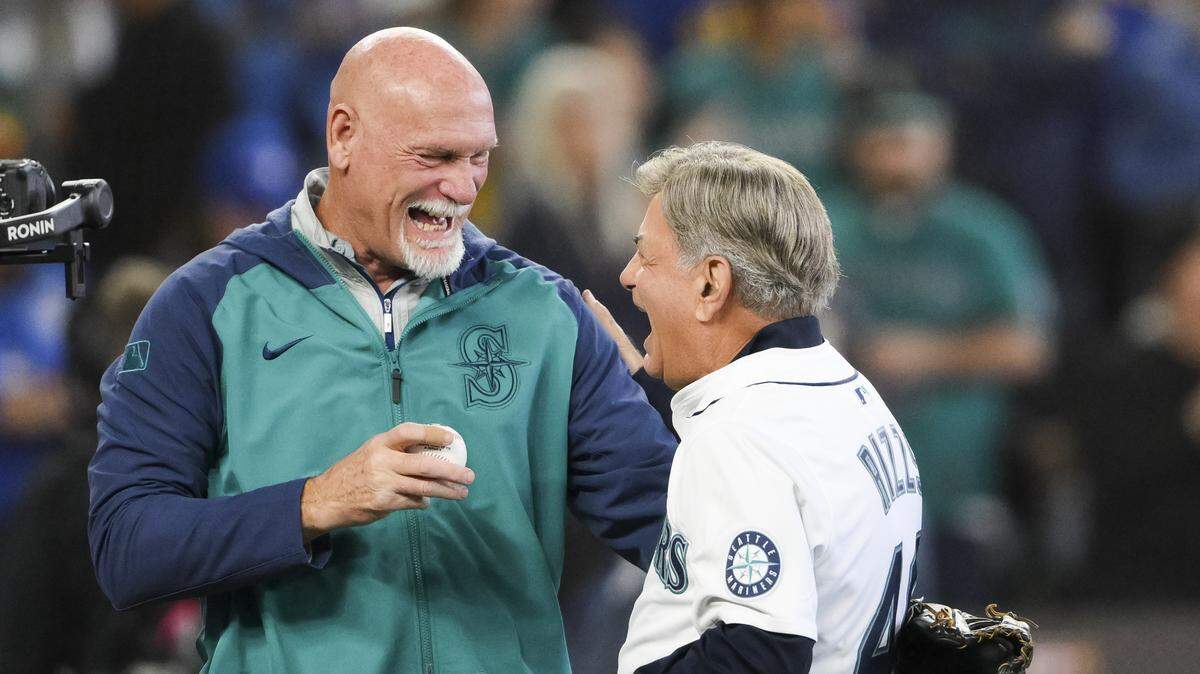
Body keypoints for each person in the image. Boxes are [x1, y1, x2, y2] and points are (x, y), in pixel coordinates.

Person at [88, 28, 676, 673]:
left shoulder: (542, 312)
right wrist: (314, 503)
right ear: (343, 135)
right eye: (436, 155)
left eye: (479, 157)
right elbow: (127, 547)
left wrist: (694, 401)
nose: (462, 187)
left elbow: (675, 526)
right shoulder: (206, 307)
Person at [585, 141, 922, 673]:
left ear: (711, 283)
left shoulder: (742, 435)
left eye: (647, 256)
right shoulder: (849, 393)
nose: (629, 275)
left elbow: (759, 655)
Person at [822, 91, 1053, 602]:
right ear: (858, 149)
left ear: (942, 149)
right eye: (884, 143)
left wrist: (924, 353)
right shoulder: (829, 227)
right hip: (847, 471)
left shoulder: (982, 231)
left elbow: (1028, 346)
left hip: (960, 470)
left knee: (956, 627)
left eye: (910, 143)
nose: (898, 159)